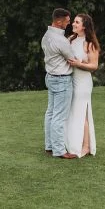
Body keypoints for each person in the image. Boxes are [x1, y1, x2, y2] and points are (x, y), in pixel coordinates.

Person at [42, 8, 77, 159]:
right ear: (58, 21)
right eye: (67, 22)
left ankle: (49, 146)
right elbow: (72, 58)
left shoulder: (46, 36)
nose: (69, 24)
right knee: (59, 116)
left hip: (50, 77)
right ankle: (59, 150)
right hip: (61, 79)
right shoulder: (61, 40)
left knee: (50, 113)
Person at [65, 13, 100, 158]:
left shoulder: (90, 44)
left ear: (84, 26)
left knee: (82, 113)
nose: (73, 24)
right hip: (70, 80)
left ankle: (85, 146)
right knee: (72, 112)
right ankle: (72, 143)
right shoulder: (70, 40)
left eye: (77, 22)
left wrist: (79, 64)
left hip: (83, 82)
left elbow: (94, 66)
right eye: (74, 21)